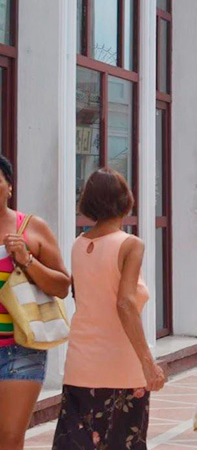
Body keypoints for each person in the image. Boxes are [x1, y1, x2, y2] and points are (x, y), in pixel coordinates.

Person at [53, 169, 165, 449]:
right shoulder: (130, 245)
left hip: (80, 363)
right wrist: (148, 362)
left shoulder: (79, 246)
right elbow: (124, 303)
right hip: (120, 367)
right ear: (126, 200)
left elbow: (84, 299)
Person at [0, 154, 69, 450]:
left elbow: (63, 286)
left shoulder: (31, 227)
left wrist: (26, 260)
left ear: (9, 187)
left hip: (20, 350)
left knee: (10, 438)